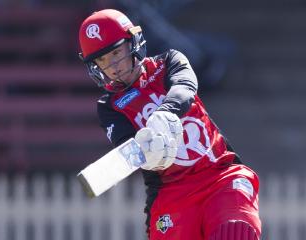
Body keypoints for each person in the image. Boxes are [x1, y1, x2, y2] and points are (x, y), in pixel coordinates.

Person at [78, 9, 261, 240]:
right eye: (102, 60)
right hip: (171, 194)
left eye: (116, 53)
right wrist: (149, 153)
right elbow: (127, 147)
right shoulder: (109, 106)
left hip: (219, 176)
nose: (112, 66)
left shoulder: (169, 62)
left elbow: (184, 87)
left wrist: (165, 113)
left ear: (132, 42)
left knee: (235, 232)